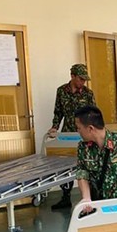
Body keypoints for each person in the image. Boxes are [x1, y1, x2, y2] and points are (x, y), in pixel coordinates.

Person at [48, 63, 96, 210]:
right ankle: (65, 197)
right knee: (65, 165)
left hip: (84, 134)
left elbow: (93, 113)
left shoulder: (88, 93)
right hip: (67, 135)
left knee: (88, 163)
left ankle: (91, 195)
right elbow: (58, 112)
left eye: (84, 79)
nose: (83, 82)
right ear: (72, 76)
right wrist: (55, 127)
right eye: (80, 79)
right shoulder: (61, 91)